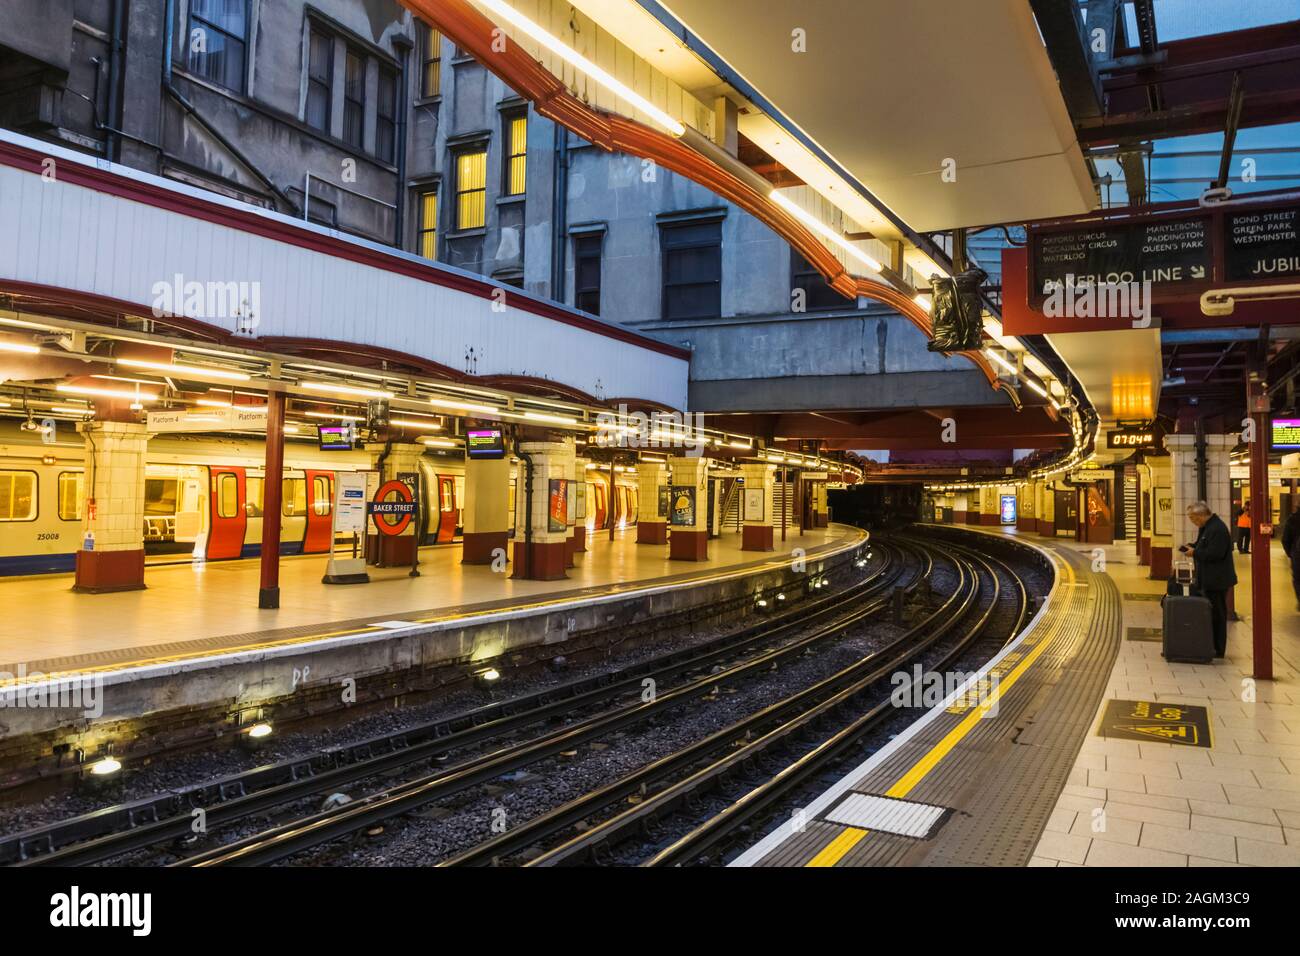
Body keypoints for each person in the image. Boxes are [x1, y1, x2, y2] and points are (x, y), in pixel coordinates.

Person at [1179, 501, 1237, 658]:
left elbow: (1215, 554)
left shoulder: (1217, 529)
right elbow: (1201, 546)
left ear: (1201, 515)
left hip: (1217, 580)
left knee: (1218, 614)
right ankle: (1209, 645)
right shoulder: (1206, 528)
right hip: (1208, 578)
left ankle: (1218, 649)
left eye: (1192, 517)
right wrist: (1191, 547)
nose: (1192, 521)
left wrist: (1195, 553)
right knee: (1210, 614)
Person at [1282, 508, 1300, 612]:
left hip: (1297, 555)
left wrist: (1291, 554)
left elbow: (1285, 539)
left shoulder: (1293, 519)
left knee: (1298, 579)